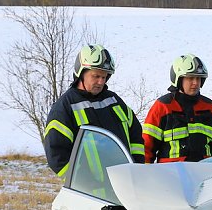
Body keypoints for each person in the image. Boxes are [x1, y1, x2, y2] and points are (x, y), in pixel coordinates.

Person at [43, 44, 145, 176]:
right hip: (91, 193)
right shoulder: (64, 108)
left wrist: (136, 168)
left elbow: (136, 135)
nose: (101, 82)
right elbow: (57, 156)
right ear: (81, 73)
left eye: (104, 77)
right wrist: (82, 182)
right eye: (96, 76)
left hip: (124, 185)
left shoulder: (114, 101)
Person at [142, 54, 212, 163]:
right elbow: (146, 148)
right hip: (170, 176)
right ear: (178, 79)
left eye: (198, 78)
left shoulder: (209, 107)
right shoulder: (162, 107)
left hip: (204, 174)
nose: (195, 83)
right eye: (191, 78)